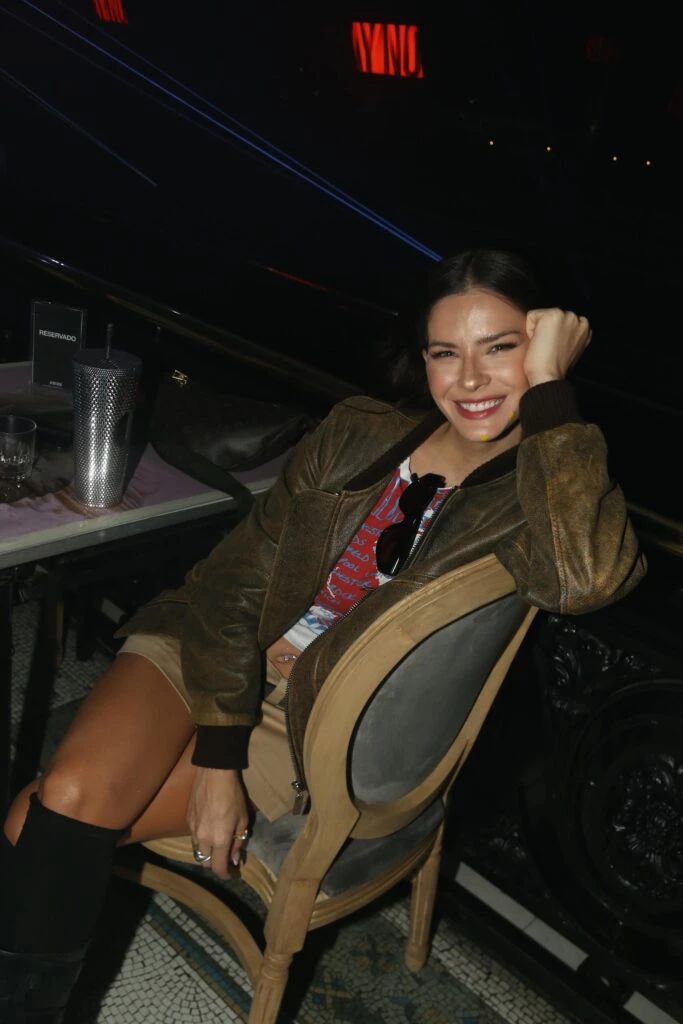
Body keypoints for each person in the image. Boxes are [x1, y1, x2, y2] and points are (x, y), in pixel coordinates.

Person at [0, 249, 645, 1021]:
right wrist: (216, 758)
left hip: (303, 721)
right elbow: (234, 583)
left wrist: (549, 398)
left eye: (499, 349)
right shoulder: (356, 433)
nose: (470, 380)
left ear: (543, 352)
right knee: (60, 807)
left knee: (38, 825)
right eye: (445, 353)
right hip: (205, 643)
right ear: (422, 360)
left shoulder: (535, 492)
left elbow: (584, 578)